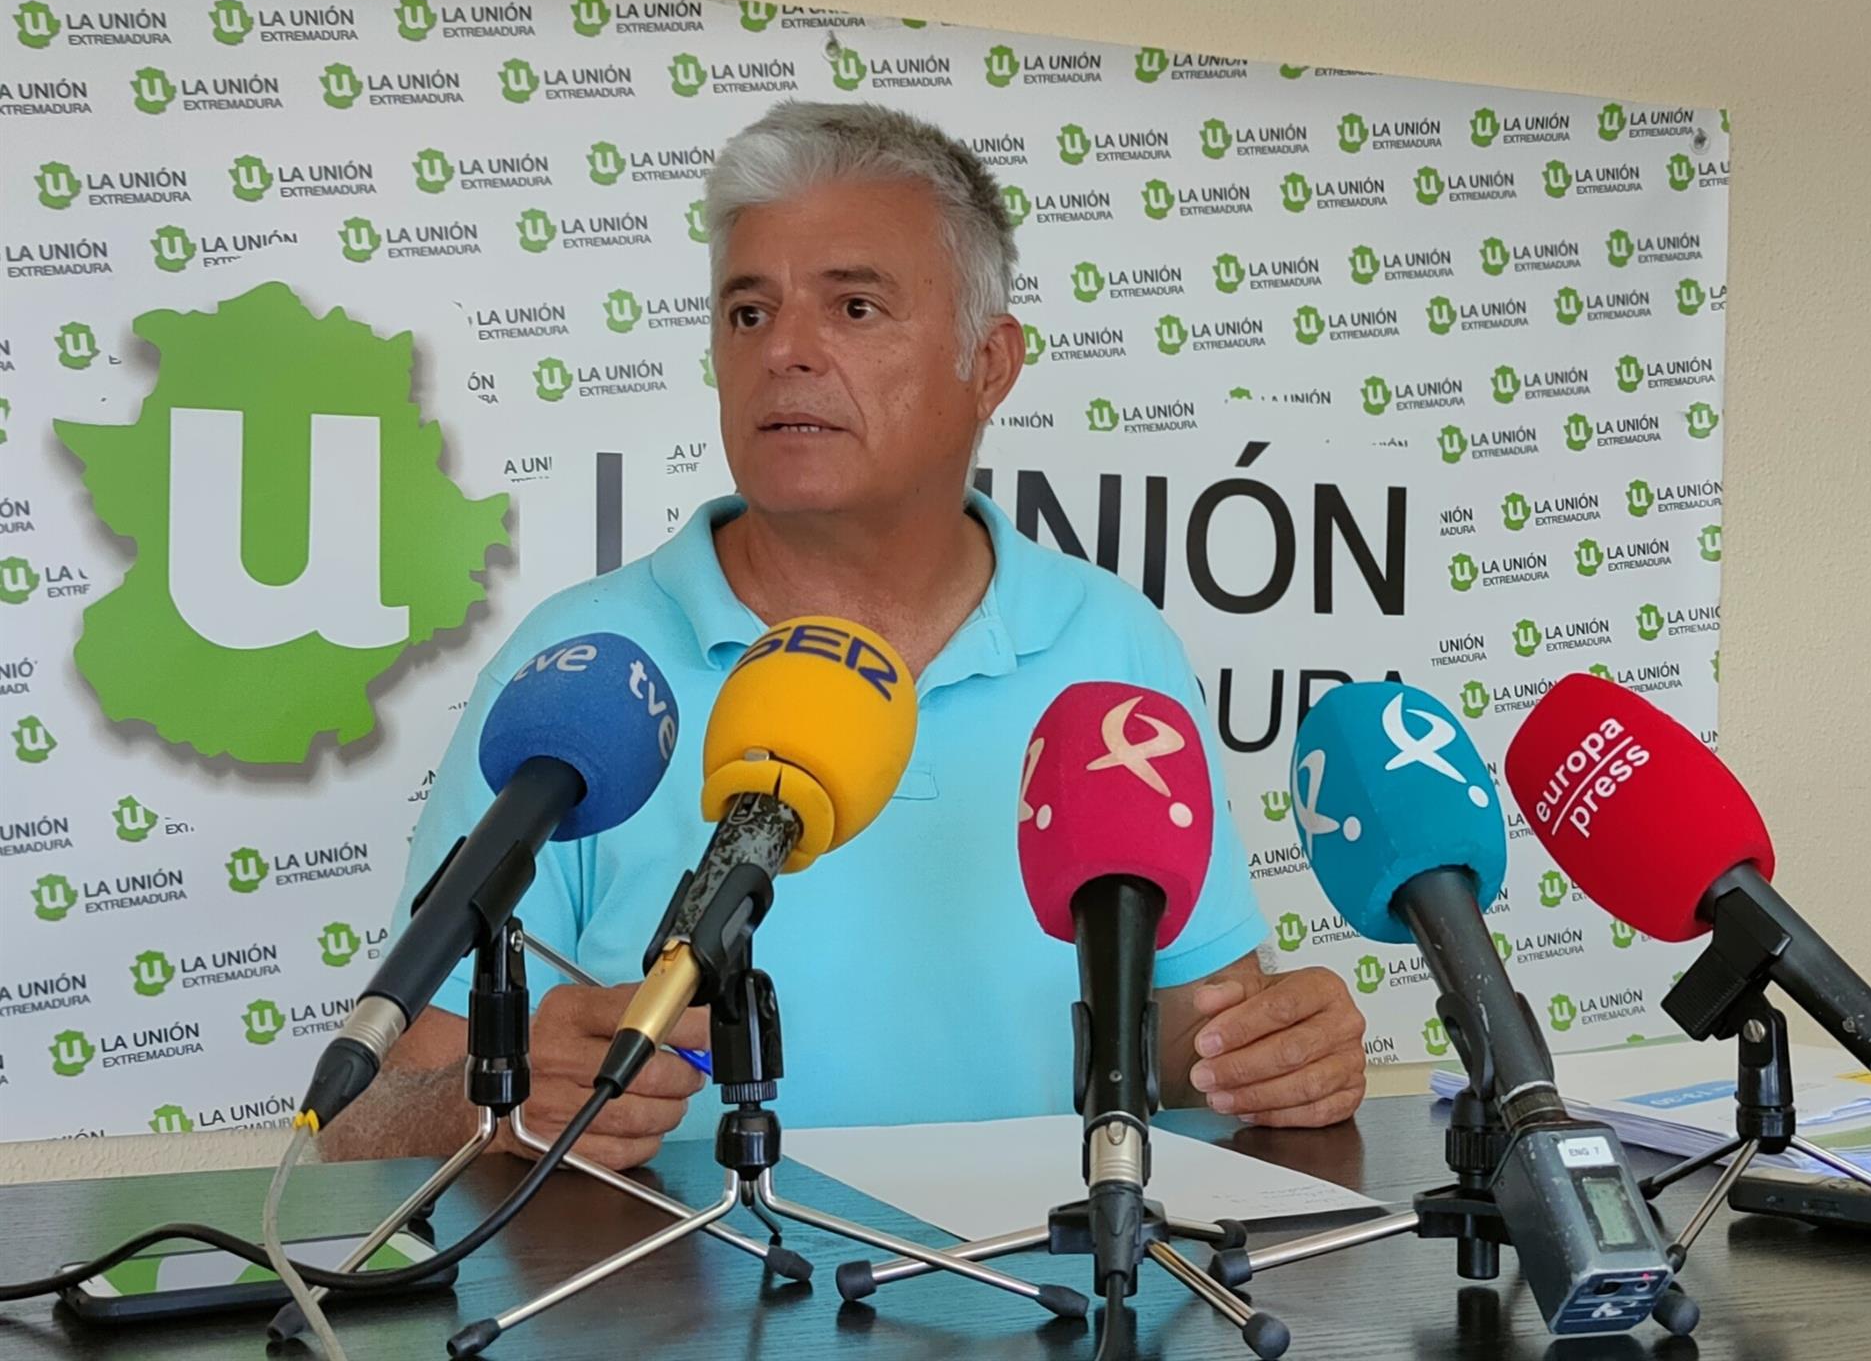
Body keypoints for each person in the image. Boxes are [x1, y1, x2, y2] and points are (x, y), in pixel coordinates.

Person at [321, 101, 1366, 1169]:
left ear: (990, 364)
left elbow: (1196, 1042)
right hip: (670, 1278)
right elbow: (359, 1125)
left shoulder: (1112, 644)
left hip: (1047, 1273)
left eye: (855, 307)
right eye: (748, 313)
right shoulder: (587, 670)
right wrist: (492, 1102)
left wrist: (1284, 1055)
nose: (784, 351)